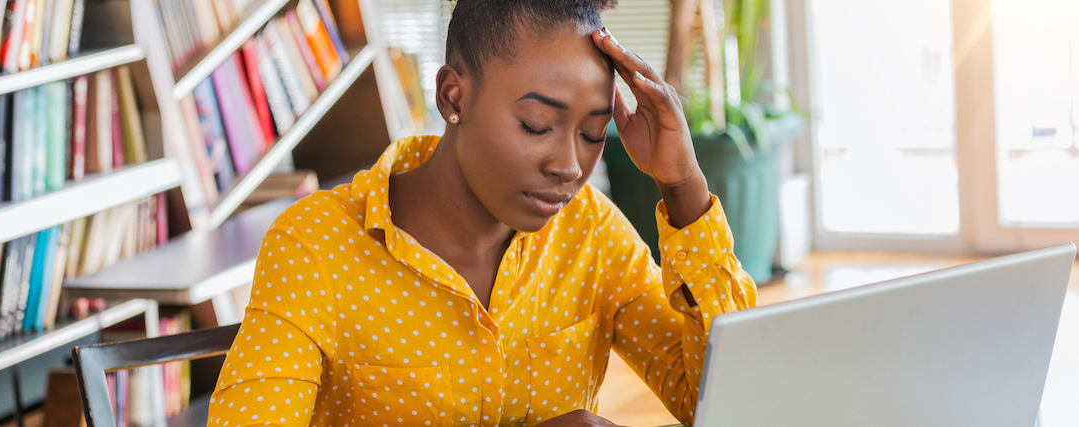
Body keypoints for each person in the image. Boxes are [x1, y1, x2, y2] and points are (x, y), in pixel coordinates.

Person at [205, 0, 756, 425]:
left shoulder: (590, 234)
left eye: (592, 133)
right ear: (453, 97)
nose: (569, 165)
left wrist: (683, 185)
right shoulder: (318, 246)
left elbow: (729, 401)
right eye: (537, 126)